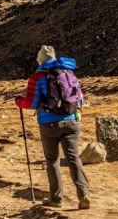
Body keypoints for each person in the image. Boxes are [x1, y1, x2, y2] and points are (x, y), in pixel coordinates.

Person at [16, 45, 90, 209]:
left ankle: (56, 199)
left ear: (40, 60)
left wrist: (18, 101)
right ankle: (84, 194)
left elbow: (31, 102)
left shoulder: (38, 77)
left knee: (52, 160)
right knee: (73, 157)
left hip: (49, 123)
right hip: (72, 121)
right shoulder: (69, 73)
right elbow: (81, 99)